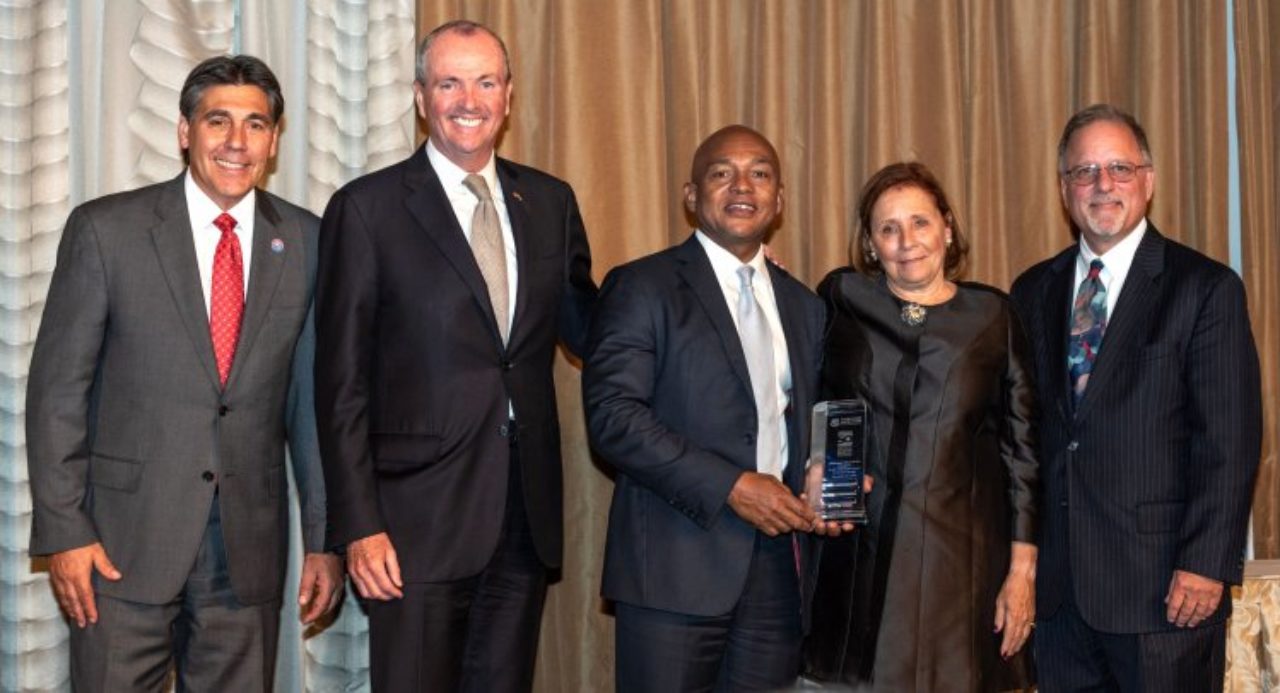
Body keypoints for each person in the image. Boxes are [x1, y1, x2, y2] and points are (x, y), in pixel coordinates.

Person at [25, 55, 341, 691]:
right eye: (217, 121)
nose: (236, 141)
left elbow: (312, 405)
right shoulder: (106, 230)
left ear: (274, 141)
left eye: (255, 125)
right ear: (184, 131)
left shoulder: (307, 242)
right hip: (117, 551)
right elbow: (58, 394)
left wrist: (324, 538)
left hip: (247, 553)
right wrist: (65, 533)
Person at [313, 19, 597, 693]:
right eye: (449, 82)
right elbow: (340, 382)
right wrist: (359, 524)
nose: (469, 99)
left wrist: (704, 277)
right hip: (412, 525)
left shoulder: (549, 201)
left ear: (509, 95)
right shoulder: (367, 209)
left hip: (522, 519)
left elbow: (593, 329)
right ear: (420, 96)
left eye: (485, 81)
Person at [1010, 103, 1261, 692]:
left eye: (1119, 169)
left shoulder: (1204, 289)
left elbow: (1230, 440)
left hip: (1165, 595)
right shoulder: (1031, 291)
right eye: (1085, 171)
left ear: (1148, 180)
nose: (1103, 185)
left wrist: (1205, 562)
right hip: (1060, 600)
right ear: (1063, 188)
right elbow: (1021, 433)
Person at [584, 125, 827, 692]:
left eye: (761, 173)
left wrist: (829, 476)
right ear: (692, 196)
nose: (743, 185)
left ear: (780, 199)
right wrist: (732, 486)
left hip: (776, 572)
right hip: (672, 567)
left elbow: (810, 421)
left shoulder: (803, 305)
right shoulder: (641, 285)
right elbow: (613, 416)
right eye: (722, 172)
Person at [802, 162, 1039, 691]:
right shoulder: (840, 299)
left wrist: (1022, 573)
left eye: (921, 223)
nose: (906, 241)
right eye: (888, 228)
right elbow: (806, 388)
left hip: (962, 570)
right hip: (859, 562)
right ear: (869, 243)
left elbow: (1024, 453)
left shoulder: (992, 316)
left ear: (948, 228)